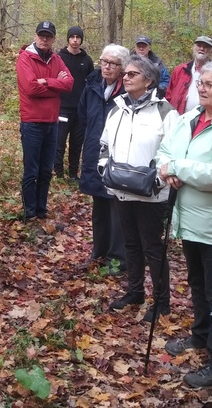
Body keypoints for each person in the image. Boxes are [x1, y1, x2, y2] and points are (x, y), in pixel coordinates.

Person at [157, 60, 212, 389]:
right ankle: (200, 336)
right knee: (197, 284)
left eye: (210, 84)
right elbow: (164, 151)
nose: (201, 88)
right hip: (186, 217)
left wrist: (177, 167)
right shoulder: (188, 118)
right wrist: (166, 167)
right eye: (200, 83)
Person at [100, 55, 179, 321]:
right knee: (130, 243)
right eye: (126, 73)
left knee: (152, 248)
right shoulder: (117, 108)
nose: (126, 77)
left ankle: (161, 302)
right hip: (121, 188)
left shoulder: (165, 112)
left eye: (133, 74)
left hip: (151, 193)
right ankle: (135, 292)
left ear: (149, 80)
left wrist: (158, 179)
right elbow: (105, 144)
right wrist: (104, 168)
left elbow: (174, 150)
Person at [77, 44, 129, 270]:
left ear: (122, 68)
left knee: (116, 208)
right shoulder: (92, 84)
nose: (107, 67)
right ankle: (98, 251)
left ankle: (117, 258)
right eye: (104, 62)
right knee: (98, 205)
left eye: (113, 64)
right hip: (93, 150)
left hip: (118, 156)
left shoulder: (127, 90)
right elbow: (83, 115)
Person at [16, 21, 73, 220]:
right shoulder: (25, 58)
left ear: (53, 39)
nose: (44, 39)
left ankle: (41, 209)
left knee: (46, 170)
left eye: (48, 36)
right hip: (32, 122)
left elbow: (69, 83)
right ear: (35, 36)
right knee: (31, 170)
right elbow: (31, 88)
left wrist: (48, 82)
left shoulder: (56, 60)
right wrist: (55, 88)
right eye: (41, 35)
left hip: (52, 123)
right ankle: (29, 212)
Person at [54, 26, 95, 181]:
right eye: (72, 37)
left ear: (81, 40)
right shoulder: (59, 58)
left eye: (78, 37)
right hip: (62, 108)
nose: (75, 40)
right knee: (59, 142)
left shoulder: (87, 60)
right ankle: (58, 173)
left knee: (76, 144)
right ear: (68, 39)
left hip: (80, 110)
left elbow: (92, 84)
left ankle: (73, 174)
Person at [165, 35, 212, 114]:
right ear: (194, 47)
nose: (201, 49)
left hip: (203, 120)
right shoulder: (180, 70)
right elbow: (168, 95)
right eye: (199, 45)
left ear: (211, 50)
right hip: (178, 118)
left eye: (206, 47)